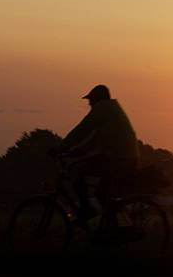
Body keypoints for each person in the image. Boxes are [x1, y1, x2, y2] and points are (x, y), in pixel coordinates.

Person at [53, 85, 139, 221]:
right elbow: (95, 139)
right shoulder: (111, 111)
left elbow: (82, 129)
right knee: (102, 194)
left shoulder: (103, 108)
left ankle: (87, 209)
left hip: (118, 158)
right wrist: (77, 151)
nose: (90, 104)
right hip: (124, 157)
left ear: (98, 99)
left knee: (75, 169)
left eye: (91, 100)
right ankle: (110, 226)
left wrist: (61, 148)